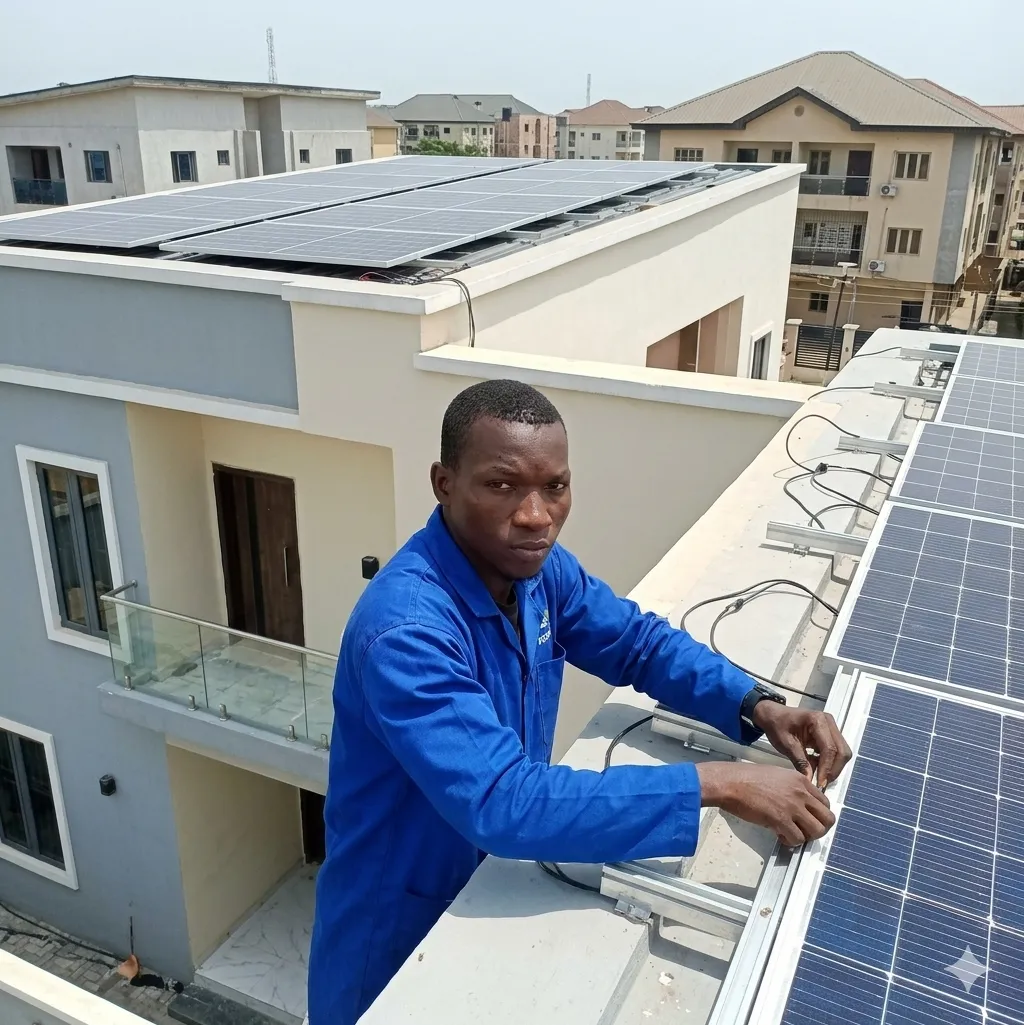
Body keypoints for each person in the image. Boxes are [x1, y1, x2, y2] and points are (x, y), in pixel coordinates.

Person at [307, 380, 851, 1025]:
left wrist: (758, 706)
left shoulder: (537, 571)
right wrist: (722, 784)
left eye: (555, 487)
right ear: (444, 483)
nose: (535, 515)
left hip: (494, 892)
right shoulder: (407, 631)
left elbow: (635, 643)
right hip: (395, 942)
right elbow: (502, 801)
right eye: (502, 485)